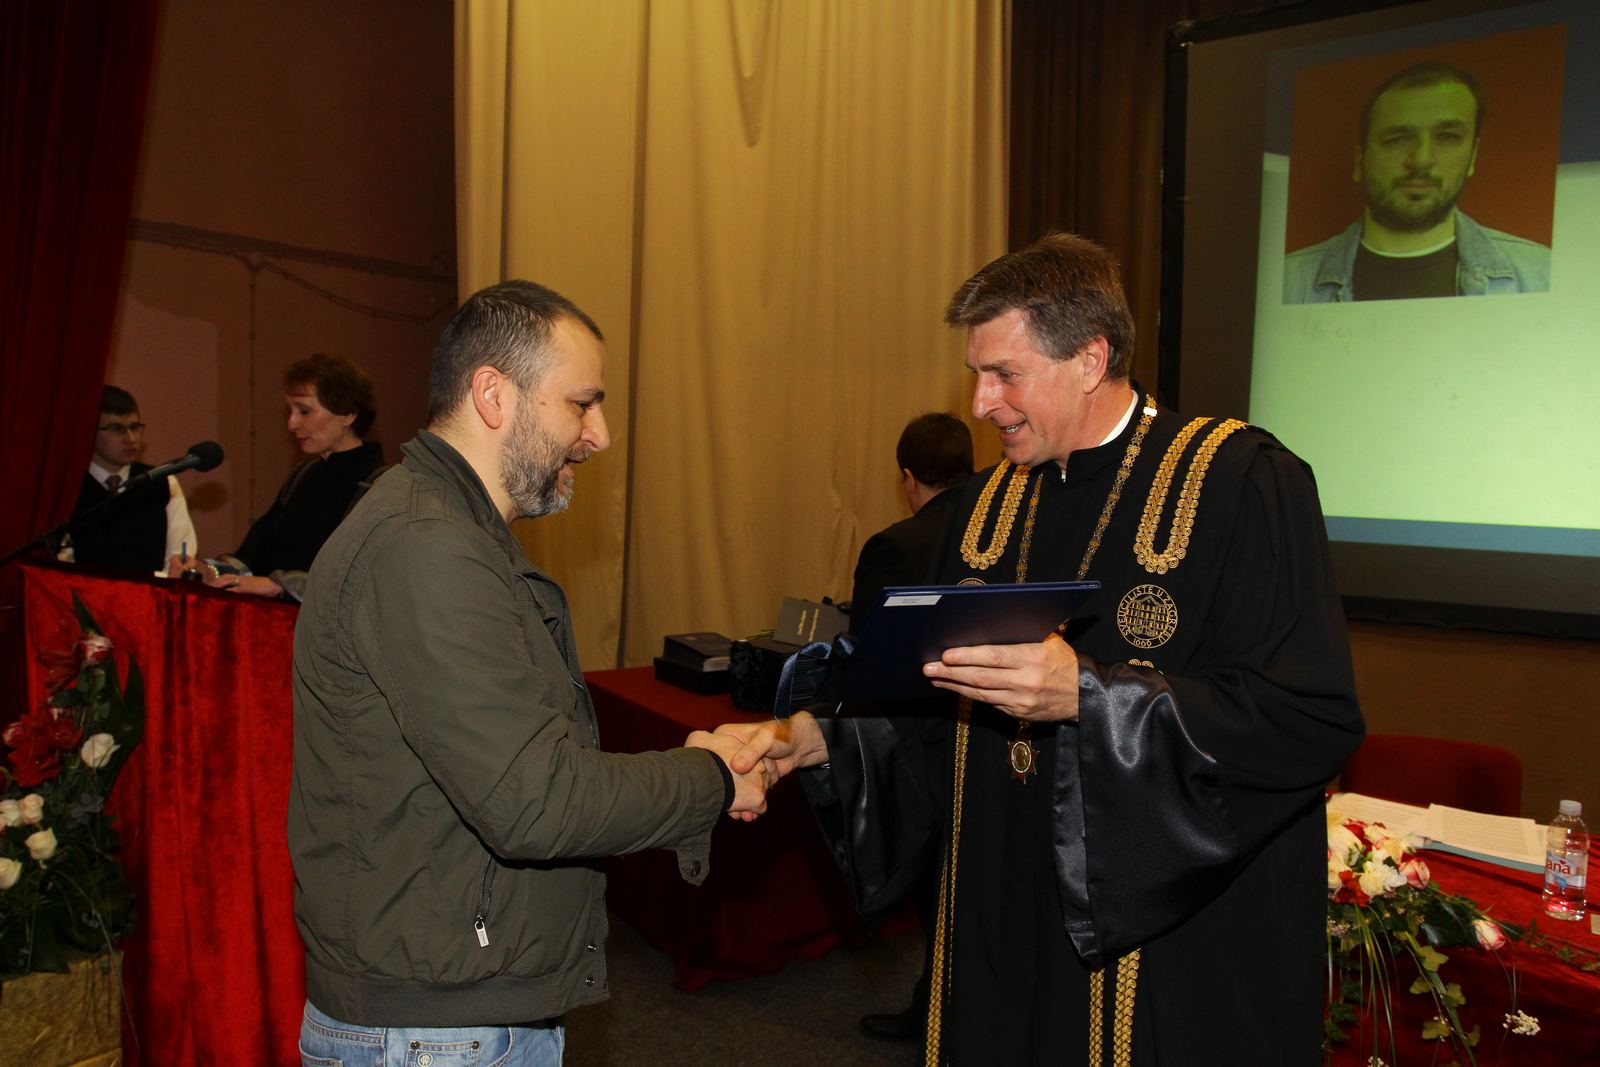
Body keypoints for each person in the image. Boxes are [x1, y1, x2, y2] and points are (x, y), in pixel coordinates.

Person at [720, 234, 1364, 1063]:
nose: (980, 403)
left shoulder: (1238, 483)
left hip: (1166, 954)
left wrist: (1090, 697)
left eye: (1004, 374)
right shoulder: (982, 512)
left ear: (1090, 359)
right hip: (1002, 923)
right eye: (976, 374)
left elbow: (1308, 718)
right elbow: (942, 709)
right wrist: (816, 740)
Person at [288, 279, 771, 1066]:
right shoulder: (426, 545)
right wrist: (708, 779)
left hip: (451, 1012)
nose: (600, 435)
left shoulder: (450, 530)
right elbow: (534, 800)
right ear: (493, 395)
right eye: (582, 404)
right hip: (435, 1033)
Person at [850, 411, 972, 1044]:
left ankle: (938, 1017)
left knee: (937, 893)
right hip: (1004, 739)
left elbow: (868, 662)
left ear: (907, 477)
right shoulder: (1006, 533)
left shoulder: (895, 546)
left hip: (924, 746)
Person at [1283, 60, 1550, 303]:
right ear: (1359, 161)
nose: (1421, 160)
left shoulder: (1542, 272)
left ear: (1473, 156)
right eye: (1397, 139)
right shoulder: (1286, 282)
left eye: (1447, 137)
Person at [170, 353, 384, 600]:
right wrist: (210, 571)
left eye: (304, 411)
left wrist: (282, 586)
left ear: (348, 414)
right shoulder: (302, 476)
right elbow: (252, 556)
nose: (292, 423)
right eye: (290, 411)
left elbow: (370, 583)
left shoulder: (381, 487)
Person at [68, 385, 197, 575]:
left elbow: (178, 558)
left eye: (135, 428)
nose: (130, 439)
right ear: (89, 432)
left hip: (148, 590)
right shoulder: (68, 487)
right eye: (116, 429)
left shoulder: (161, 482)